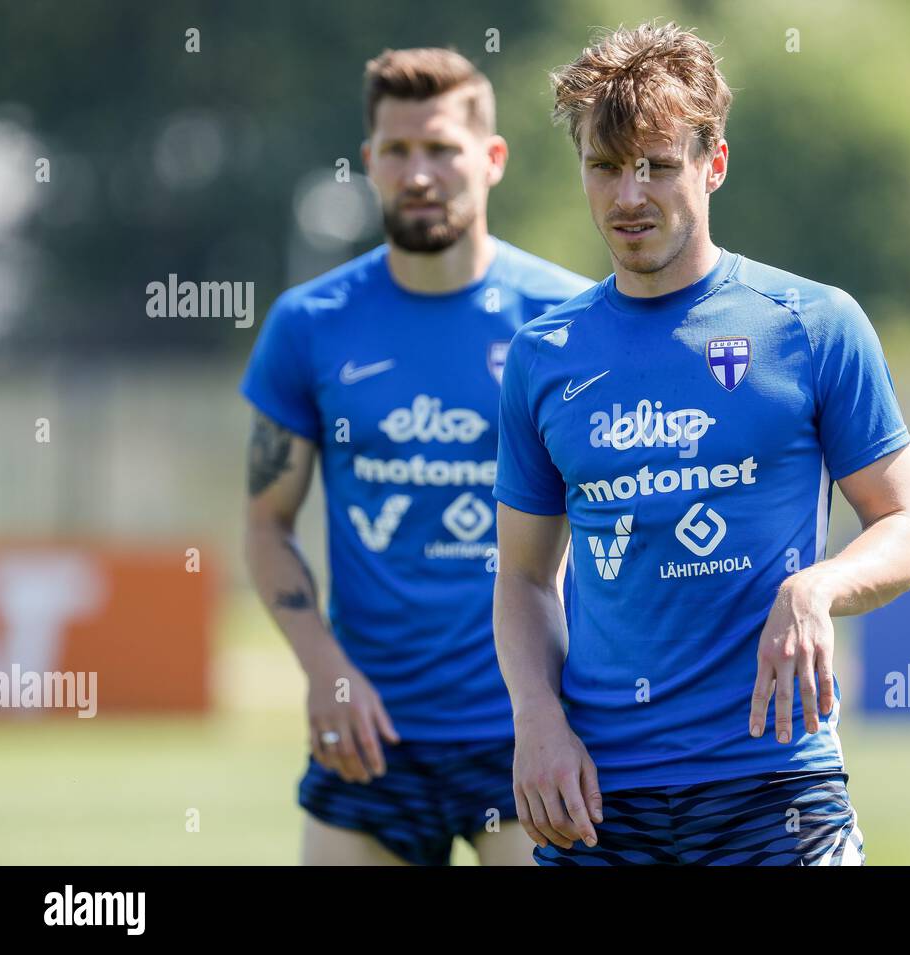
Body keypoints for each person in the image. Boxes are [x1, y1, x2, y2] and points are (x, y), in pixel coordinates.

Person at [491, 22, 910, 865]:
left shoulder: (813, 325)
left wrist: (818, 586)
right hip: (599, 797)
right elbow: (521, 575)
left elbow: (907, 530)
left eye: (655, 165)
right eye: (605, 166)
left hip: (775, 787)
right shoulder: (543, 357)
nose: (628, 196)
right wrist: (536, 719)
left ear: (714, 164)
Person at [242, 47, 593, 865]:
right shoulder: (310, 324)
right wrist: (324, 668)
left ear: (492, 158)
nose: (420, 173)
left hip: (530, 725)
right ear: (369, 163)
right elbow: (266, 525)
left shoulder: (569, 322)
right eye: (397, 151)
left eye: (442, 148)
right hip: (373, 735)